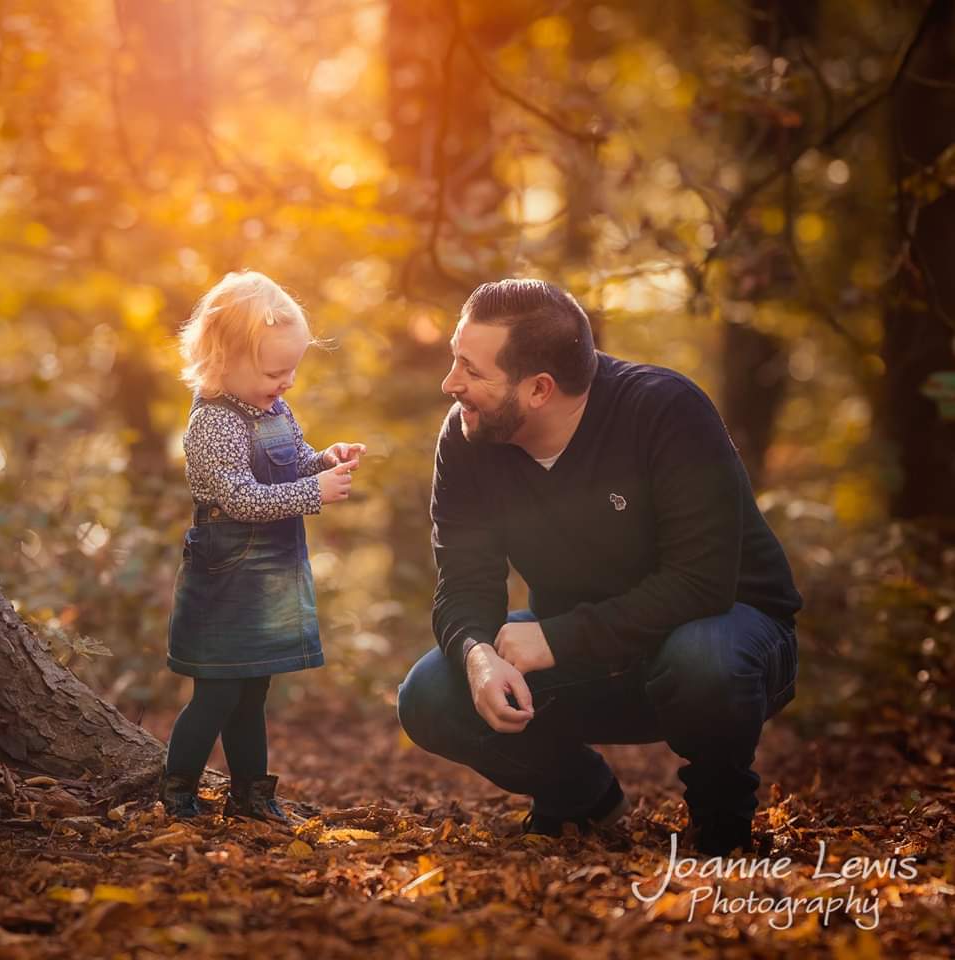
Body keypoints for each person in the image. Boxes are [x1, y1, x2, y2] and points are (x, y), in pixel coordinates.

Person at [396, 278, 802, 856]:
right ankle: (580, 797)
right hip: (590, 654)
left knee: (702, 656)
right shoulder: (467, 438)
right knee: (432, 694)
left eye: (471, 369)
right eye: (453, 360)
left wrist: (556, 638)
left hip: (729, 641)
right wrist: (477, 654)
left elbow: (701, 583)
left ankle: (722, 825)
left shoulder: (664, 409)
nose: (450, 383)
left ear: (539, 389)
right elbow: (463, 584)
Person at [162, 270, 365, 822]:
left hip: (268, 572)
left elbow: (291, 461)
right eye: (276, 371)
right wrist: (312, 492)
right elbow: (240, 498)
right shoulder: (213, 422)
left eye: (293, 368)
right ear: (224, 360)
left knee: (253, 692)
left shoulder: (273, 409)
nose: (288, 381)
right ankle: (176, 788)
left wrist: (323, 461)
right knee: (217, 694)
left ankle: (251, 793)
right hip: (227, 571)